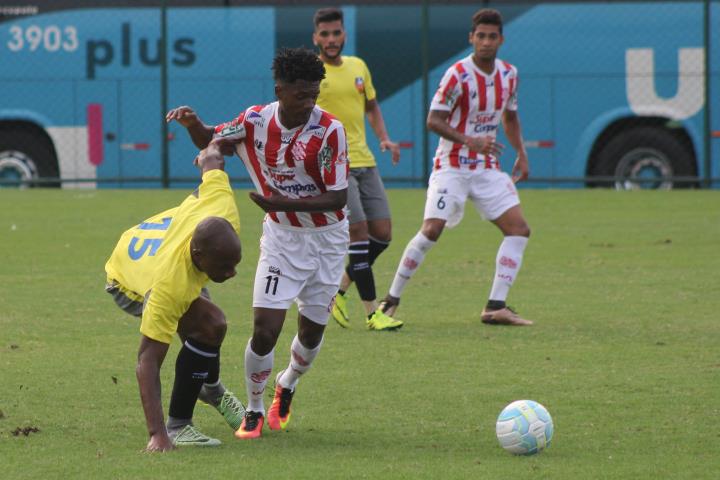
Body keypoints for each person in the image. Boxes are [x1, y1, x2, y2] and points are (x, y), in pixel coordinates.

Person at [166, 47, 349, 439]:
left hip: (328, 241)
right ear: (280, 89)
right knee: (265, 329)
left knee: (311, 333)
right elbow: (213, 141)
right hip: (282, 239)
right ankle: (254, 409)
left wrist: (279, 201)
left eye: (315, 94)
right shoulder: (253, 121)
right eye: (302, 94)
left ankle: (288, 383)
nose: (309, 102)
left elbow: (337, 198)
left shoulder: (330, 130)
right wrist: (193, 124)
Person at [380, 8, 533, 326]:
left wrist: (521, 152)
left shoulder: (509, 74)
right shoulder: (457, 75)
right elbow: (433, 120)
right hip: (451, 165)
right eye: (481, 36)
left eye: (492, 37)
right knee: (431, 229)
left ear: (501, 40)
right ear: (471, 38)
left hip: (487, 167)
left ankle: (495, 306)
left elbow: (511, 117)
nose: (487, 42)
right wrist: (470, 141)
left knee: (519, 229)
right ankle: (391, 299)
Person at [104, 143, 245, 452]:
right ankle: (177, 426)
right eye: (224, 267)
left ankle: (209, 389)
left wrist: (207, 149)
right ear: (199, 255)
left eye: (235, 263)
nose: (232, 274)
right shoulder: (169, 286)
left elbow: (212, 159)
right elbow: (147, 360)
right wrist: (156, 435)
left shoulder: (223, 205)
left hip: (163, 243)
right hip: (129, 277)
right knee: (211, 324)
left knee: (205, 328)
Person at [312, 7, 403, 331]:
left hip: (366, 160)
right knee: (359, 234)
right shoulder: (312, 73)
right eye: (325, 34)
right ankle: (372, 313)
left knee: (383, 234)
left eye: (336, 33)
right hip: (337, 165)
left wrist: (385, 139)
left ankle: (339, 289)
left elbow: (371, 106)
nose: (331, 39)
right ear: (316, 38)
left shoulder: (358, 66)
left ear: (344, 34)